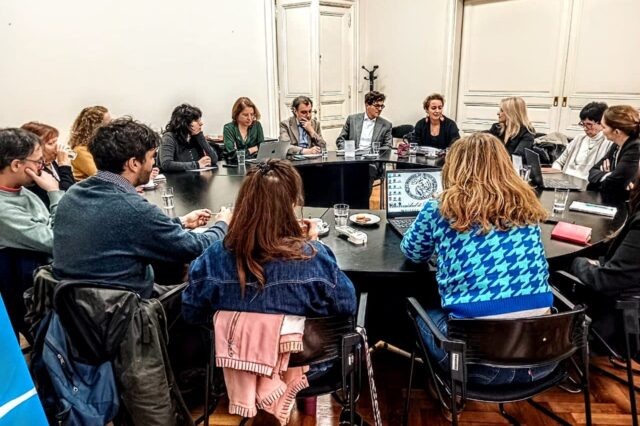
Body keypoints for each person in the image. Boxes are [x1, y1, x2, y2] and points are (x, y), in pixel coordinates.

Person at [400, 132, 555, 385]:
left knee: (418, 313)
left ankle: (437, 387)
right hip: (543, 357)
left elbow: (413, 252)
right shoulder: (527, 205)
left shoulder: (440, 208)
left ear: (454, 167)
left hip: (476, 366)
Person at [53, 117, 231, 298]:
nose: (154, 163)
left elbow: (126, 228)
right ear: (133, 163)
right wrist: (222, 225)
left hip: (80, 310)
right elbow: (195, 247)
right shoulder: (132, 207)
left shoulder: (72, 195)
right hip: (128, 312)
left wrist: (181, 222)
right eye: (152, 156)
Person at [182, 159, 356, 324]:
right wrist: (315, 246)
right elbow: (347, 304)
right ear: (292, 205)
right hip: (303, 354)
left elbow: (191, 312)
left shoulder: (212, 259)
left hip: (229, 354)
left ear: (243, 204)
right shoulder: (315, 260)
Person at [568, 169, 640, 353]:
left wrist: (578, 262)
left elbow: (607, 280)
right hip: (626, 289)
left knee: (557, 273)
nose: (630, 184)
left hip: (620, 314)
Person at [0, 128, 62, 335]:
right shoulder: (3, 208)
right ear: (17, 165)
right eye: (37, 162)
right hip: (31, 299)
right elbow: (58, 241)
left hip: (44, 284)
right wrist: (54, 192)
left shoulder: (23, 191)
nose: (41, 168)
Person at [336, 91, 392, 192]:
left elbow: (387, 147)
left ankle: (362, 203)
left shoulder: (386, 125)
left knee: (365, 171)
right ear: (367, 105)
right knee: (338, 172)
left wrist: (372, 153)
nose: (379, 109)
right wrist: (349, 150)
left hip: (371, 162)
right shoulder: (352, 119)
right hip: (352, 159)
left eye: (381, 106)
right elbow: (340, 140)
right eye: (376, 106)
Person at [588, 105, 640, 199]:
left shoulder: (635, 148)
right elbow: (592, 172)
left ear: (616, 132)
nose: (602, 131)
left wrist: (610, 178)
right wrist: (610, 175)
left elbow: (613, 186)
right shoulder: (616, 144)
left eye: (604, 127)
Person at [549, 102, 612, 179]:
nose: (585, 128)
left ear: (601, 123)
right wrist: (557, 177)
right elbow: (559, 162)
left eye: (589, 124)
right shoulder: (578, 139)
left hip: (588, 185)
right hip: (566, 181)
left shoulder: (608, 143)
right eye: (583, 124)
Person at [21, 122, 75, 209]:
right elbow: (68, 197)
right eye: (51, 143)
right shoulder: (35, 171)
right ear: (35, 148)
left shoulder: (51, 162)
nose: (57, 147)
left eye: (55, 141)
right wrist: (64, 166)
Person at [159, 103, 218, 172]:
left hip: (195, 179)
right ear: (184, 123)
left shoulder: (195, 136)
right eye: (196, 121)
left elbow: (214, 159)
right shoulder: (169, 137)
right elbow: (167, 164)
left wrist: (200, 136)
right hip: (176, 181)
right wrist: (197, 164)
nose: (201, 123)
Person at [69, 105, 111, 181]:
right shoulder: (80, 151)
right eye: (108, 124)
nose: (111, 127)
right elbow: (101, 177)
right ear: (96, 128)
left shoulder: (97, 147)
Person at [223, 97, 265, 163]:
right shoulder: (228, 128)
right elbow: (232, 155)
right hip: (236, 166)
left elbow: (263, 149)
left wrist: (243, 153)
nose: (250, 118)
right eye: (245, 115)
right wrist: (252, 149)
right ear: (236, 115)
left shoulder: (257, 125)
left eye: (252, 114)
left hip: (255, 165)